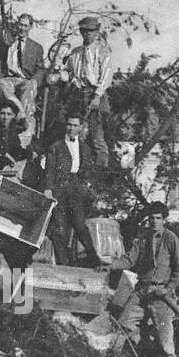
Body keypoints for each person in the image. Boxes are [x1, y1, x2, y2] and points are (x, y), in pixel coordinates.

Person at [109, 201, 179, 357]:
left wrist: (168, 288)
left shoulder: (170, 239)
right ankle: (146, 356)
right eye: (151, 218)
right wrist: (109, 264)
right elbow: (129, 260)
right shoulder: (143, 239)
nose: (154, 222)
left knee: (165, 340)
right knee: (124, 324)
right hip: (142, 290)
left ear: (164, 219)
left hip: (161, 295)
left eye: (158, 218)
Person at [41, 114, 103, 267]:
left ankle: (93, 259)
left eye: (75, 125)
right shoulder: (56, 146)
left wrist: (87, 188)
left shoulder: (85, 148)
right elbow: (49, 170)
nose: (72, 128)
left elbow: (88, 170)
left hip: (76, 190)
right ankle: (63, 265)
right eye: (69, 124)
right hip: (59, 190)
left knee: (80, 225)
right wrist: (48, 189)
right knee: (59, 229)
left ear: (81, 127)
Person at [53, 14, 112, 166]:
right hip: (78, 95)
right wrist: (59, 75)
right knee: (76, 134)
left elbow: (106, 76)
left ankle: (100, 175)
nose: (87, 34)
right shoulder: (76, 52)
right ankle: (77, 169)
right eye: (84, 30)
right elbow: (69, 72)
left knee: (96, 137)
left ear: (97, 32)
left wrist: (97, 96)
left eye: (91, 31)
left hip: (94, 95)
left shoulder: (102, 51)